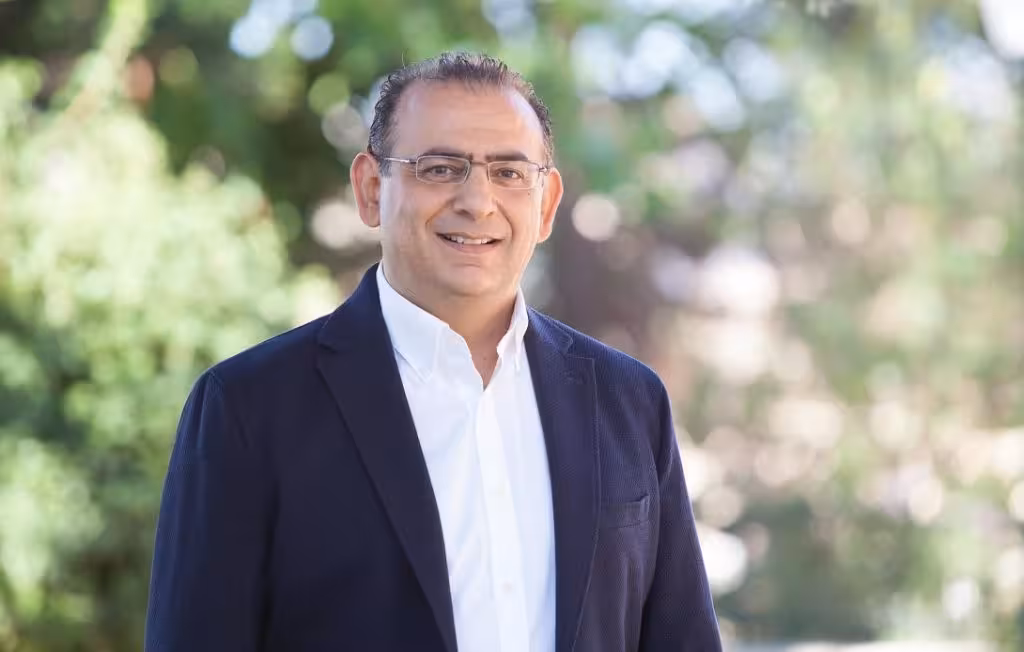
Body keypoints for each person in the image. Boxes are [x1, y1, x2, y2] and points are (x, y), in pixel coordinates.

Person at [144, 51, 722, 652]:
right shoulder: (249, 407)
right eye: (441, 168)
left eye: (509, 172)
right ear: (371, 189)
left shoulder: (629, 402)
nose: (478, 201)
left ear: (547, 203)